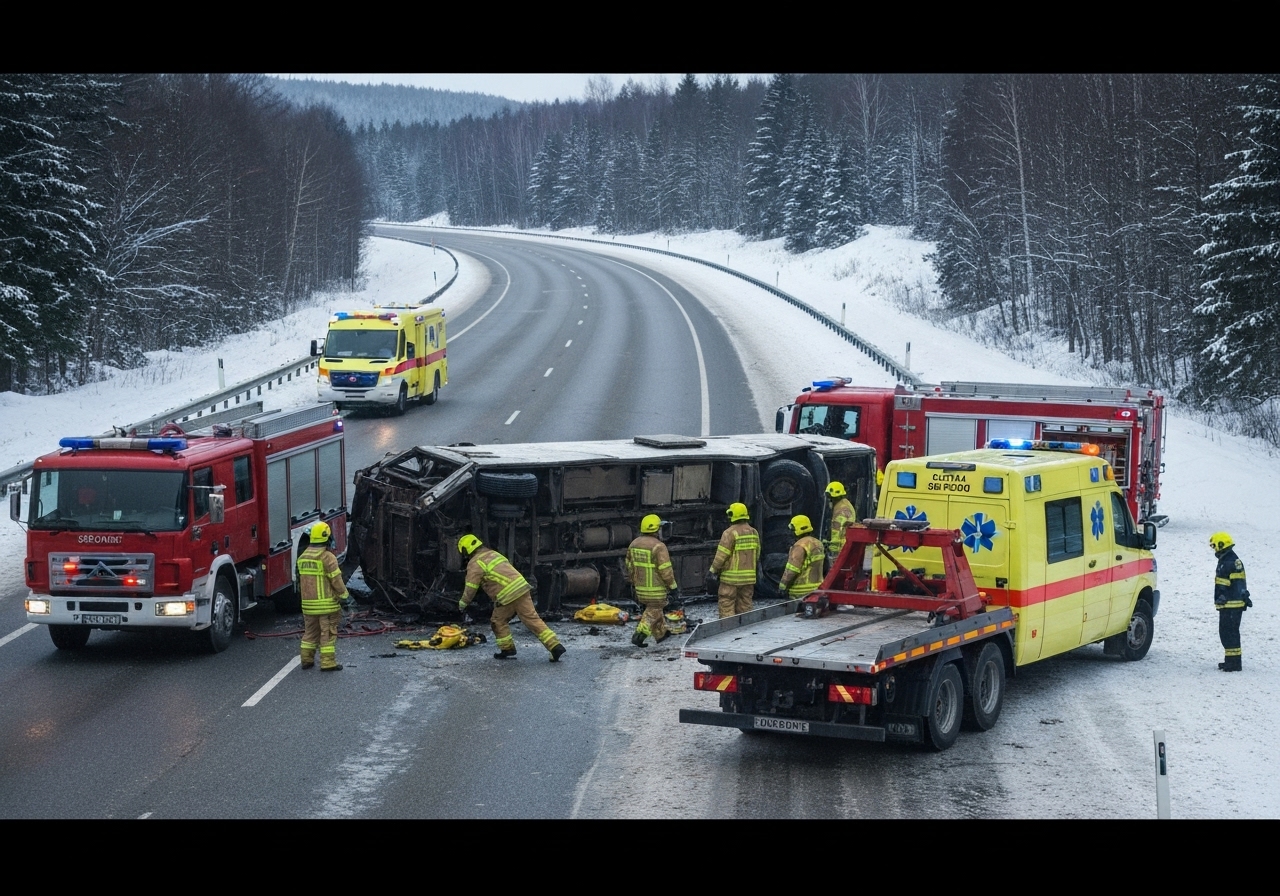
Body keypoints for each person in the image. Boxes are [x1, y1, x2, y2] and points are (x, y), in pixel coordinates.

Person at [457, 534, 565, 662]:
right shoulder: (493, 554)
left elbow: (471, 587)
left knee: (497, 621)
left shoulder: (475, 563)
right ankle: (555, 646)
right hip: (521, 588)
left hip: (506, 595)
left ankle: (507, 649)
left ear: (465, 550)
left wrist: (462, 604)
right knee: (532, 619)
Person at [297, 521, 349, 671]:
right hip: (327, 605)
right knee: (328, 633)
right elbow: (336, 581)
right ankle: (327, 663)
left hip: (308, 606)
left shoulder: (303, 557)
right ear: (327, 537)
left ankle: (306, 659)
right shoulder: (327, 557)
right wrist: (345, 596)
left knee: (310, 633)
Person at [626, 514, 679, 647]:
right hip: (656, 590)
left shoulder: (634, 544)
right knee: (654, 609)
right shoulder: (659, 546)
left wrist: (634, 581)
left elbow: (629, 565)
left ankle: (661, 634)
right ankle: (640, 635)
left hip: (640, 589)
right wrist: (673, 587)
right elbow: (666, 571)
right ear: (656, 530)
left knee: (656, 611)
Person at [705, 502, 759, 618]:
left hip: (730, 579)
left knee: (726, 606)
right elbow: (757, 554)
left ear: (731, 515)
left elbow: (721, 556)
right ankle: (745, 631)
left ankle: (728, 632)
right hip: (749, 578)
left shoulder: (729, 533)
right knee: (745, 606)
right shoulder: (754, 532)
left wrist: (713, 571)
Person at [1210, 531, 1251, 672]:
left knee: (1229, 633)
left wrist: (1223, 597)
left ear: (1221, 544)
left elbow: (1228, 583)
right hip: (1232, 603)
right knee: (1228, 633)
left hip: (1230, 605)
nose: (1214, 549)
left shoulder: (1228, 561)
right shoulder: (1230, 559)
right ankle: (1231, 661)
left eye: (1214, 546)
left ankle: (1234, 664)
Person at [778, 514, 825, 599]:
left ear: (797, 530)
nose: (790, 533)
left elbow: (792, 570)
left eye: (792, 530)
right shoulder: (818, 543)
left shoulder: (799, 546)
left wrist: (783, 586)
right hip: (817, 589)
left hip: (800, 592)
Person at [825, 481, 856, 560]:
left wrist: (831, 549)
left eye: (830, 498)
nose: (829, 500)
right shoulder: (845, 504)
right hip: (847, 544)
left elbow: (836, 532)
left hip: (841, 548)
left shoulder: (840, 510)